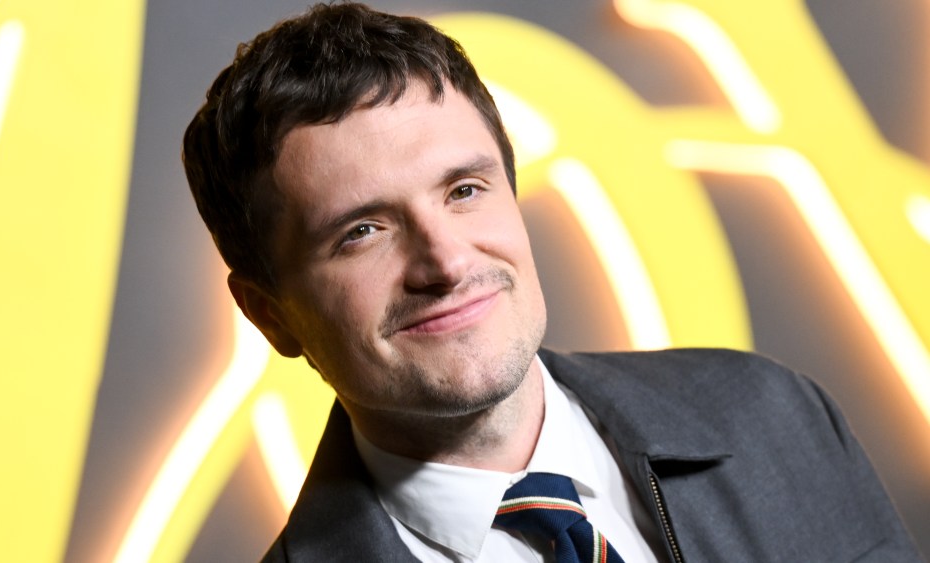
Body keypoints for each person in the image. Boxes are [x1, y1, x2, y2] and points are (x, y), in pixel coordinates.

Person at [182, 3, 919, 562]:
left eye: (464, 190)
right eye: (362, 231)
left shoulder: (776, 416)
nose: (446, 262)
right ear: (270, 315)